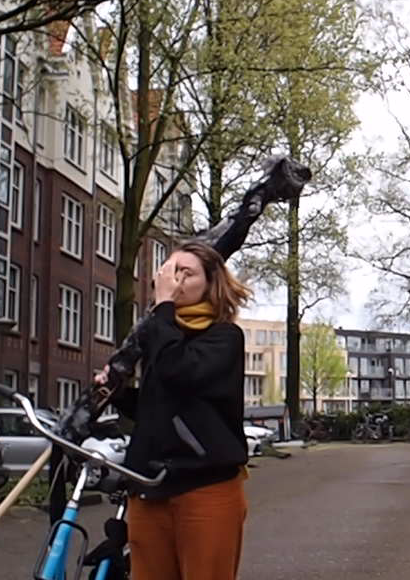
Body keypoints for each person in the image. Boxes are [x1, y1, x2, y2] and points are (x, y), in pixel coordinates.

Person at [95, 240, 253, 580]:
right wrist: (118, 393)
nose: (175, 279)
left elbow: (179, 372)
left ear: (210, 284)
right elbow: (162, 407)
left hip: (204, 487)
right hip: (148, 487)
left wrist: (163, 307)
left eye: (187, 273)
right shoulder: (161, 335)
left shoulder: (224, 337)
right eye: (170, 270)